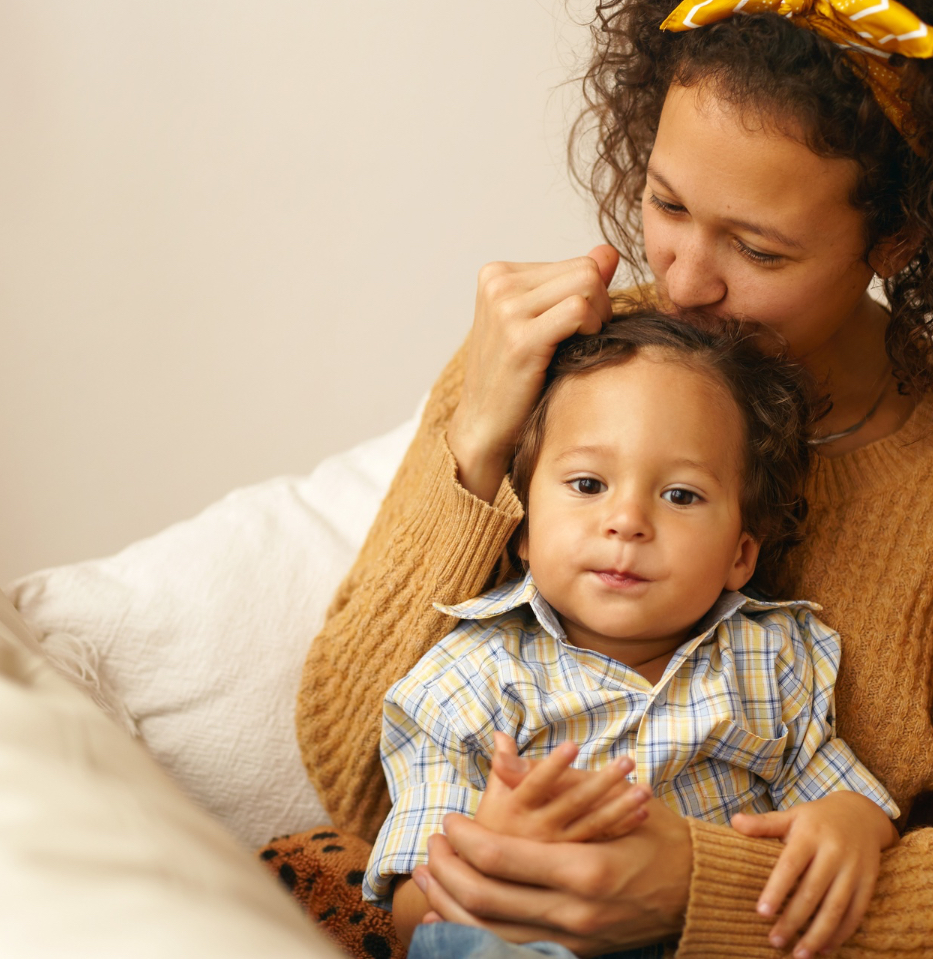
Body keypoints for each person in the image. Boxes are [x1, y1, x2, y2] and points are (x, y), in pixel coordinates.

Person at [275, 0, 933, 957]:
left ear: (898, 241)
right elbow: (352, 775)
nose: (685, 280)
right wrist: (476, 444)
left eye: (760, 250)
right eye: (666, 205)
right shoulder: (561, 366)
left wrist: (715, 891)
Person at [364, 312, 901, 959]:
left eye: (680, 495)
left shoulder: (773, 658)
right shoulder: (467, 680)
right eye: (588, 485)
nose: (627, 521)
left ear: (740, 553)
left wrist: (850, 824)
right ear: (525, 530)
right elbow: (412, 918)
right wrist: (489, 852)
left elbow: (839, 799)